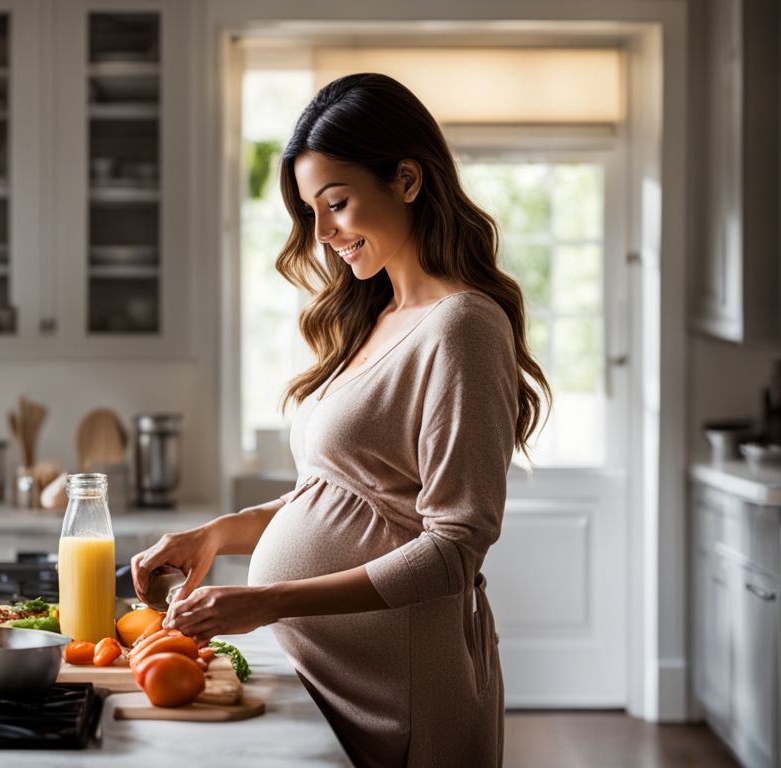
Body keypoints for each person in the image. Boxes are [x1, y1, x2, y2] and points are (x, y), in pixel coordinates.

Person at [130, 73, 551, 767]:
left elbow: (454, 546)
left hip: (397, 692)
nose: (323, 234)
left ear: (408, 180)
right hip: (323, 674)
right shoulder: (376, 317)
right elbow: (344, 496)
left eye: (337, 203)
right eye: (311, 211)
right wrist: (218, 535)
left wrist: (268, 599)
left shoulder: (464, 327)